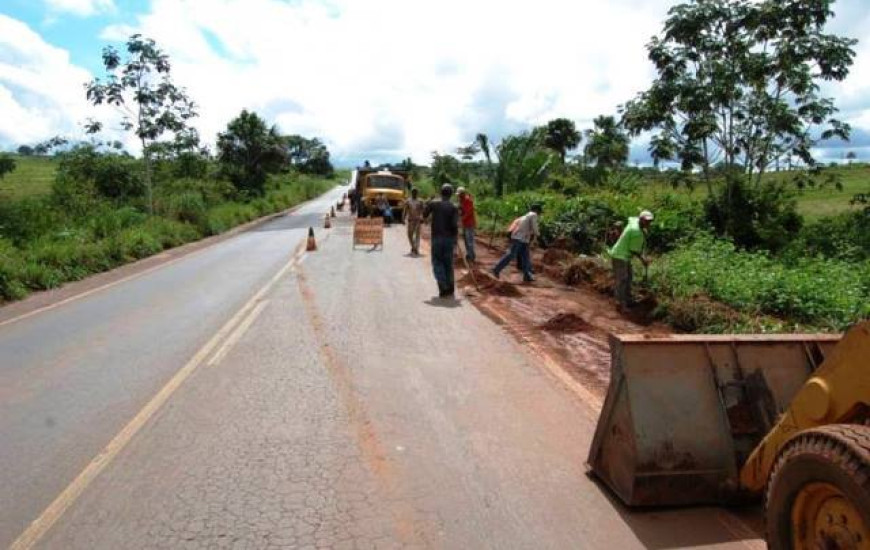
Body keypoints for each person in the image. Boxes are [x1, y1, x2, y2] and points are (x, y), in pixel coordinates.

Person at [609, 210, 654, 310]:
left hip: (624, 255)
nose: (648, 223)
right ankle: (620, 303)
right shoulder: (636, 231)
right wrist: (643, 260)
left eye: (650, 221)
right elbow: (633, 250)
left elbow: (631, 218)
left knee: (629, 278)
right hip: (620, 255)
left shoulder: (634, 221)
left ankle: (627, 299)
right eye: (646, 221)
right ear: (641, 220)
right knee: (622, 279)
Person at [424, 184, 459, 298]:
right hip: (449, 239)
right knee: (448, 264)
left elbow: (424, 214)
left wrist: (429, 202)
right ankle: (450, 288)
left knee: (437, 262)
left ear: (441, 192)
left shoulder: (434, 203)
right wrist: (455, 238)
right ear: (451, 194)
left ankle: (443, 285)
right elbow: (455, 225)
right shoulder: (454, 207)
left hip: (437, 238)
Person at [492, 204, 542, 283]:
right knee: (511, 255)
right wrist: (539, 235)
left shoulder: (525, 216)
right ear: (536, 210)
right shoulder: (533, 215)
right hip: (519, 239)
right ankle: (496, 269)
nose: (539, 213)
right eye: (539, 211)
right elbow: (534, 227)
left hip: (523, 239)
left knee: (526, 258)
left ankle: (527, 275)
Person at [457, 187, 477, 263]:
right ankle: (469, 254)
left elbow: (468, 213)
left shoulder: (468, 201)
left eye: (459, 194)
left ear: (463, 194)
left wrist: (460, 220)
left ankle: (472, 256)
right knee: (465, 240)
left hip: (469, 224)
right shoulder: (460, 201)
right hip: (464, 224)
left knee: (469, 241)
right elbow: (460, 211)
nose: (458, 196)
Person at [404, 188, 425, 255]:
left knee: (417, 235)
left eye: (416, 192)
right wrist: (403, 218)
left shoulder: (420, 201)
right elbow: (405, 210)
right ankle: (413, 247)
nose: (415, 193)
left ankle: (416, 248)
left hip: (418, 220)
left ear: (417, 193)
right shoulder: (408, 201)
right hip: (410, 220)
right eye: (413, 192)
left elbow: (422, 210)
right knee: (409, 235)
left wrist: (422, 217)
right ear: (411, 193)